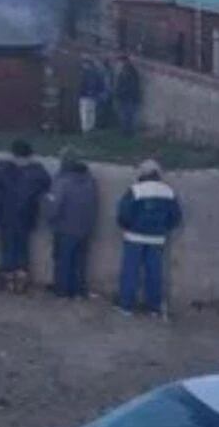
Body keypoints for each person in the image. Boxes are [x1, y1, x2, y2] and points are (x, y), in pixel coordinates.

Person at [116, 160, 183, 317]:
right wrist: (164, 229)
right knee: (154, 273)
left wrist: (127, 227)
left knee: (130, 272)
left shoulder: (135, 190)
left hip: (134, 237)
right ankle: (153, 307)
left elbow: (123, 213)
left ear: (142, 173)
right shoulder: (168, 191)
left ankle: (126, 306)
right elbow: (176, 216)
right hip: (157, 239)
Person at [0, 139, 53, 293]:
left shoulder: (5, 169)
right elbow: (46, 182)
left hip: (6, 216)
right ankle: (20, 281)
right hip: (25, 217)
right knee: (21, 250)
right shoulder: (37, 172)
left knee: (7, 250)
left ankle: (9, 281)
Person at [47, 148, 98, 299]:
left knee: (63, 261)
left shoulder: (62, 181)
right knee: (79, 262)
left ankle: (62, 290)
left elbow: (54, 206)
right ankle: (78, 291)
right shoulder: (90, 180)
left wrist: (49, 217)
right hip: (85, 228)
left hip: (64, 227)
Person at [114, 54, 142, 137]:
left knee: (127, 115)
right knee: (126, 115)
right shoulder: (127, 71)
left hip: (128, 97)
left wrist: (120, 92)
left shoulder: (128, 71)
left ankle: (127, 133)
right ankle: (127, 132)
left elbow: (129, 86)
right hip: (128, 97)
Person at [77, 57, 105, 134]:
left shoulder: (84, 73)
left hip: (87, 95)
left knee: (87, 112)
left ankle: (87, 127)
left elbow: (81, 84)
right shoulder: (93, 72)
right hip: (89, 95)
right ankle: (87, 127)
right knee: (88, 112)